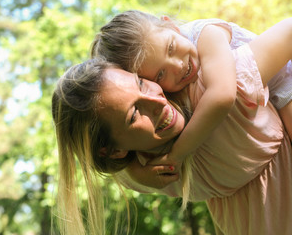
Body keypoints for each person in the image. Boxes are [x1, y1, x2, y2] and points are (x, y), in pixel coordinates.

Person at [52, 18, 292, 235]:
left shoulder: (220, 87)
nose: (158, 101)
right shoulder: (148, 170)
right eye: (134, 114)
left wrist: (171, 157)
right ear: (116, 151)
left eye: (141, 84)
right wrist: (136, 170)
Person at [91, 10, 292, 171]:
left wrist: (178, 154)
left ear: (170, 25)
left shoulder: (207, 35)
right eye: (160, 75)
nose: (178, 66)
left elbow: (222, 96)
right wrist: (140, 173)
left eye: (170, 48)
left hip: (286, 84)